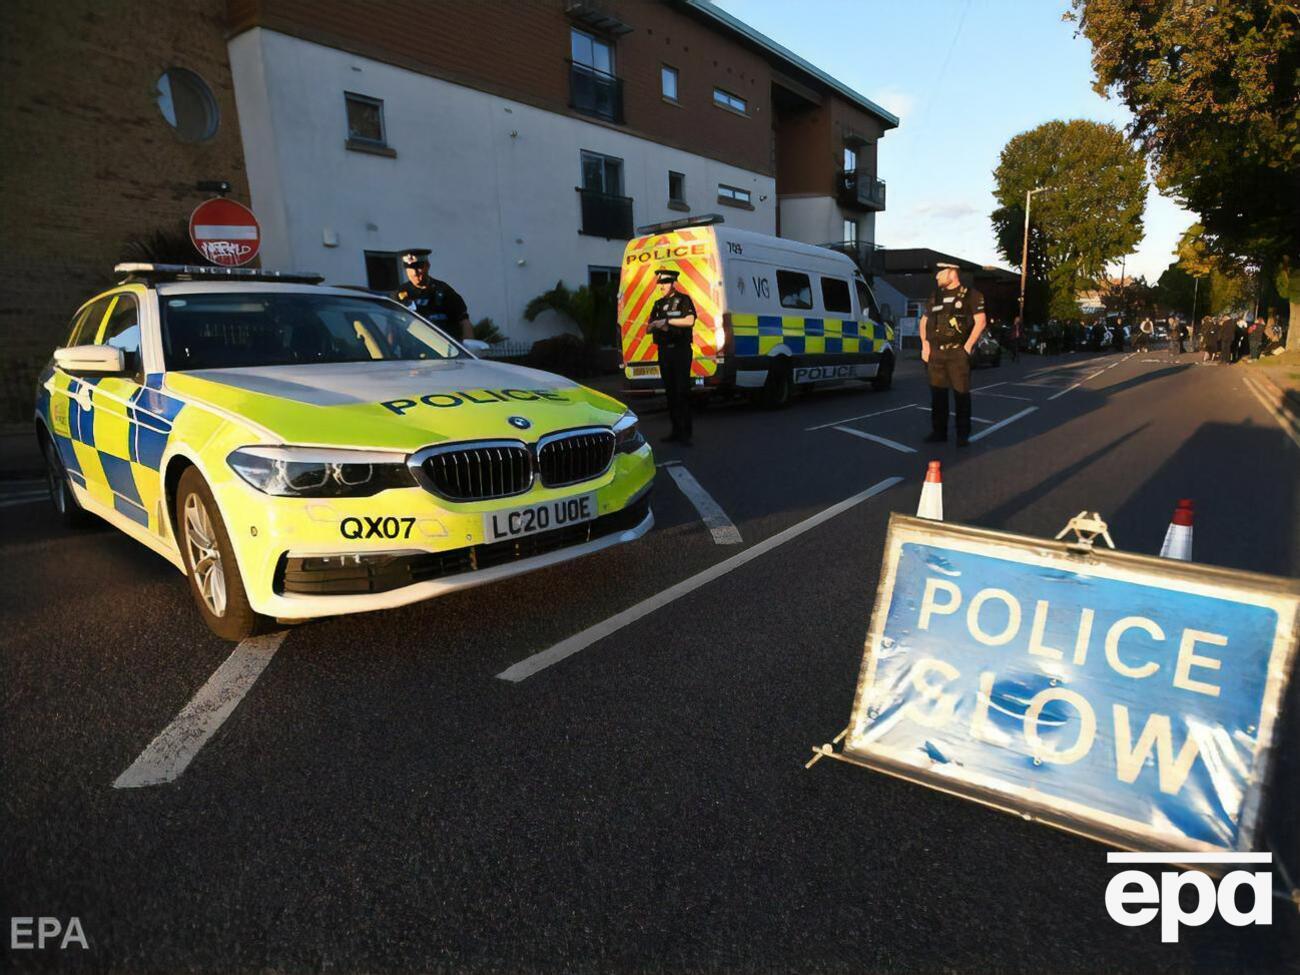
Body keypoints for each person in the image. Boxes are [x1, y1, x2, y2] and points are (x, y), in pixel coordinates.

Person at [920, 263, 986, 447]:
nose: (936, 277)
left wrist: (967, 347)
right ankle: (939, 432)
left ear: (952, 272)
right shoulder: (936, 296)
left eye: (940, 273)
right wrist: (925, 344)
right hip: (936, 353)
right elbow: (924, 321)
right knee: (938, 395)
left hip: (957, 352)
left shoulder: (971, 295)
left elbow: (981, 322)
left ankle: (962, 435)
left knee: (961, 395)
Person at [647, 268, 697, 445]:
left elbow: (690, 320)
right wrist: (654, 325)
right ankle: (675, 431)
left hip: (680, 351)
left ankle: (686, 433)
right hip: (664, 352)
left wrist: (666, 322)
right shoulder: (658, 304)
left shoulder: (683, 300)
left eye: (664, 283)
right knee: (670, 393)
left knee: (682, 391)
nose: (661, 287)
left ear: (672, 283)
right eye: (659, 283)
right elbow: (648, 327)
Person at [392, 248, 473, 341]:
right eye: (410, 268)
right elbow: (393, 327)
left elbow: (464, 322)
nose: (415, 273)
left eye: (419, 267)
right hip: (412, 351)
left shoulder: (444, 290)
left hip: (443, 350)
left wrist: (469, 347)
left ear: (427, 266)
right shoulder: (400, 293)